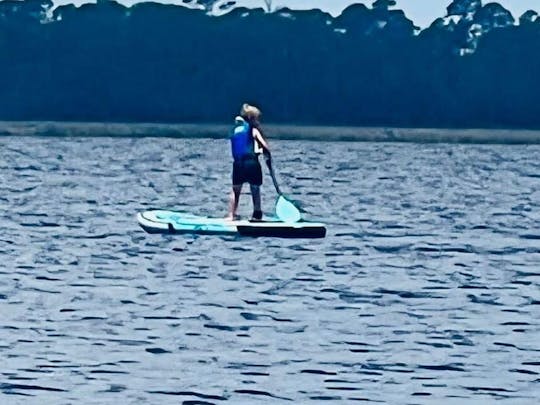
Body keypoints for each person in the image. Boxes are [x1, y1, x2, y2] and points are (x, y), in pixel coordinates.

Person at [227, 103, 270, 221]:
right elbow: (264, 145)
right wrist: (267, 154)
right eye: (256, 118)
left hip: (238, 164)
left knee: (236, 190)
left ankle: (231, 215)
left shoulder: (236, 130)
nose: (258, 120)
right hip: (251, 163)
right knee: (255, 188)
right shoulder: (253, 129)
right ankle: (257, 214)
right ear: (251, 118)